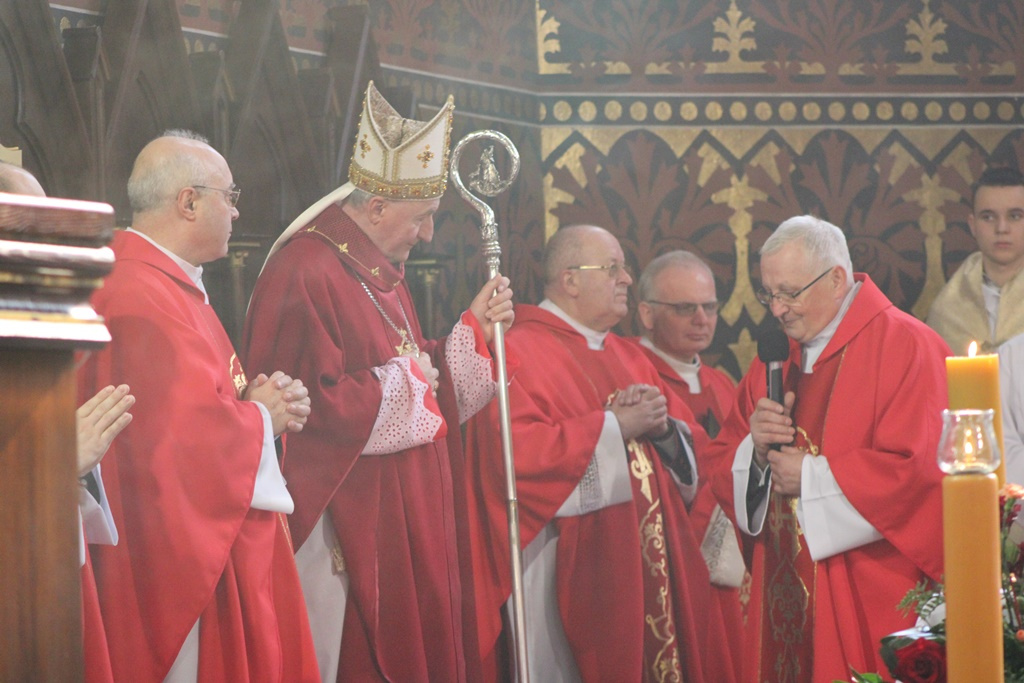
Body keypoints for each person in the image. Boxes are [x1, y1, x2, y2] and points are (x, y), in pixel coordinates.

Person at [242, 81, 515, 683]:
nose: (429, 235)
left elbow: (414, 370)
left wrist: (472, 332)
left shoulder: (376, 272)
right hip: (349, 530)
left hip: (402, 515)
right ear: (376, 209)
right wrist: (408, 384)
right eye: (423, 218)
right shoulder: (306, 270)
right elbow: (305, 412)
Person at [78, 130, 319, 682]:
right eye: (228, 196)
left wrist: (258, 406)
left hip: (180, 538)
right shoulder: (141, 294)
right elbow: (181, 444)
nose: (235, 212)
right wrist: (262, 418)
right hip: (169, 560)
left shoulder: (162, 283)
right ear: (188, 202)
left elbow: (199, 405)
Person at [465, 224, 736, 682]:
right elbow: (515, 460)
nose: (626, 279)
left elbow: (693, 454)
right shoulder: (517, 350)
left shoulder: (629, 355)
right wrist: (614, 427)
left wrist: (663, 430)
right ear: (570, 280)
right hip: (562, 568)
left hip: (645, 571)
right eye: (612, 269)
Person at [707, 215, 949, 681]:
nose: (777, 310)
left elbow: (922, 473)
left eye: (789, 293)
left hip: (871, 589)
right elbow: (720, 461)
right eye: (768, 294)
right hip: (782, 594)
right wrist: (755, 452)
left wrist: (812, 478)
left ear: (837, 280)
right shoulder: (774, 360)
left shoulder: (907, 346)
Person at [631, 250, 745, 676]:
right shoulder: (632, 373)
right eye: (684, 308)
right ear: (646, 313)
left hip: (730, 568)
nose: (701, 319)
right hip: (667, 560)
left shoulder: (723, 384)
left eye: (709, 307)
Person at [928, 166, 1024, 353]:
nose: (1001, 228)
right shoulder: (947, 310)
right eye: (988, 217)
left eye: (1015, 216)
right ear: (972, 225)